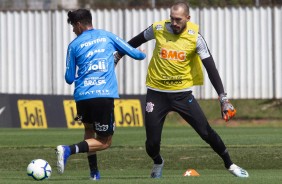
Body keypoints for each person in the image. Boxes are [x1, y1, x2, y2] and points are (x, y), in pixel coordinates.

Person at [115, 1, 249, 179]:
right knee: (152, 143)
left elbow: (211, 68)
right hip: (156, 93)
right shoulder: (158, 28)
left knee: (206, 132)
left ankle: (230, 164)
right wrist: (117, 56)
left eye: (178, 19)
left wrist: (223, 99)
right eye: (172, 18)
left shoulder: (195, 37)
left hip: (182, 94)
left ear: (188, 18)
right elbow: (134, 42)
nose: (174, 23)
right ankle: (158, 161)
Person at [56, 9, 146, 180]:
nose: (73, 31)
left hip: (82, 96)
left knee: (89, 131)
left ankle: (94, 173)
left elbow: (68, 78)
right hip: (103, 96)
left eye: (73, 27)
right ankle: (69, 149)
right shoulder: (107, 36)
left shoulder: (73, 45)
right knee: (105, 142)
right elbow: (135, 53)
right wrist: (143, 53)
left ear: (79, 25)